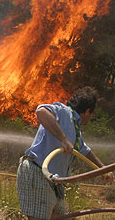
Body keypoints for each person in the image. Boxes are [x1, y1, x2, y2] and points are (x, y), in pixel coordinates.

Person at [16, 86, 114, 220]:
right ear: (87, 111)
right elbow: (41, 111)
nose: (91, 118)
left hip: (54, 182)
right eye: (92, 115)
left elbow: (84, 151)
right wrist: (63, 139)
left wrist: (103, 170)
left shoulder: (76, 130)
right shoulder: (63, 111)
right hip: (38, 172)